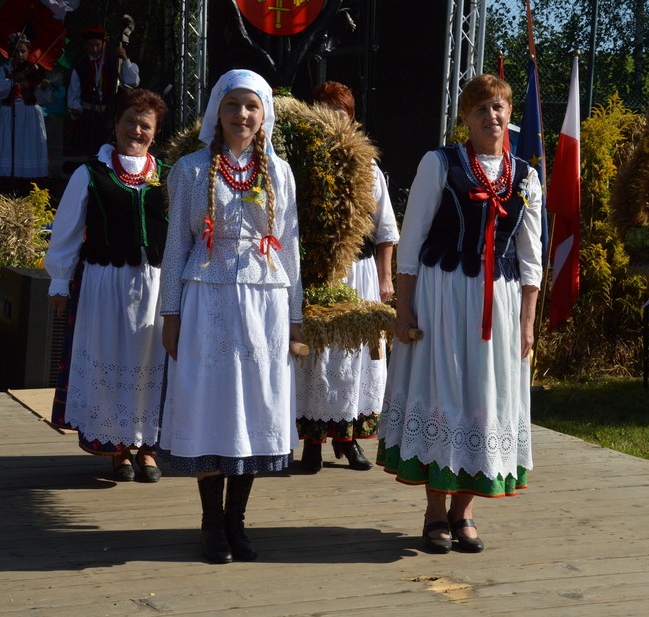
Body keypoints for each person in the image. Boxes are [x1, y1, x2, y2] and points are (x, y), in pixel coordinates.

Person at [376, 74, 542, 554]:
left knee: (484, 395)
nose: (493, 115)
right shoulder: (440, 163)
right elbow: (411, 243)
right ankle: (435, 512)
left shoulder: (526, 176)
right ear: (465, 117)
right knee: (442, 390)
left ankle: (463, 511)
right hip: (442, 298)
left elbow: (531, 258)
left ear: (509, 115)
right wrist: (404, 311)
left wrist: (527, 322)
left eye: (499, 107)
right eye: (482, 108)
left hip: (500, 304)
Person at [159, 69, 302, 564]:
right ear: (216, 112)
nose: (242, 114)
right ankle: (211, 523)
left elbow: (290, 248)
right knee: (210, 405)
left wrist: (296, 317)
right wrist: (170, 313)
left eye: (251, 106)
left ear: (264, 115)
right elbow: (175, 246)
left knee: (254, 407)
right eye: (233, 105)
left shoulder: (279, 172)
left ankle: (236, 520)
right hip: (207, 299)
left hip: (265, 304)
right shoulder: (192, 170)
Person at [45, 87, 169, 483]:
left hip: (156, 287)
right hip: (104, 285)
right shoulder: (91, 173)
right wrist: (59, 282)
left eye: (145, 124)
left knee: (151, 363)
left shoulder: (169, 176)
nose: (136, 130)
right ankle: (117, 448)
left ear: (155, 132)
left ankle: (148, 447)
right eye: (130, 121)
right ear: (115, 124)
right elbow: (66, 231)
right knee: (111, 358)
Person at [295, 80, 399, 473]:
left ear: (351, 119)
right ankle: (312, 443)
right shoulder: (303, 162)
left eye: (340, 113)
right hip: (318, 272)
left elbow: (385, 228)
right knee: (316, 355)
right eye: (325, 111)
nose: (333, 120)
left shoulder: (368, 167)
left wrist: (385, 278)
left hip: (359, 272)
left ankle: (348, 439)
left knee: (354, 357)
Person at [67, 24, 140, 159]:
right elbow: (74, 91)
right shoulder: (80, 66)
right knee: (86, 150)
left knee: (108, 149)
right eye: (91, 45)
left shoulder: (114, 62)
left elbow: (132, 82)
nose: (94, 49)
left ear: (103, 44)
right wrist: (75, 108)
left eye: (97, 45)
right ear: (85, 46)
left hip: (108, 114)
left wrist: (125, 59)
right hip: (87, 115)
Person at [0, 32, 51, 181]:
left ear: (28, 52)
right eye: (16, 51)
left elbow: (44, 98)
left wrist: (43, 88)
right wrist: (13, 81)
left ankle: (30, 181)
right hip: (10, 112)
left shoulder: (35, 70)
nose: (20, 55)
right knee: (9, 147)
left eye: (23, 51)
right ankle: (8, 180)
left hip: (30, 114)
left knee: (29, 146)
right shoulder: (5, 70)